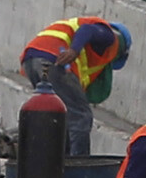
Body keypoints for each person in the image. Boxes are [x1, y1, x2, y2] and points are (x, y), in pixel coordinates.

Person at [21, 15, 132, 153]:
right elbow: (87, 30)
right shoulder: (109, 37)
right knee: (81, 117)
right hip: (55, 60)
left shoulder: (86, 47)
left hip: (31, 60)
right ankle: (79, 166)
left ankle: (53, 160)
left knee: (56, 116)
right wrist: (74, 50)